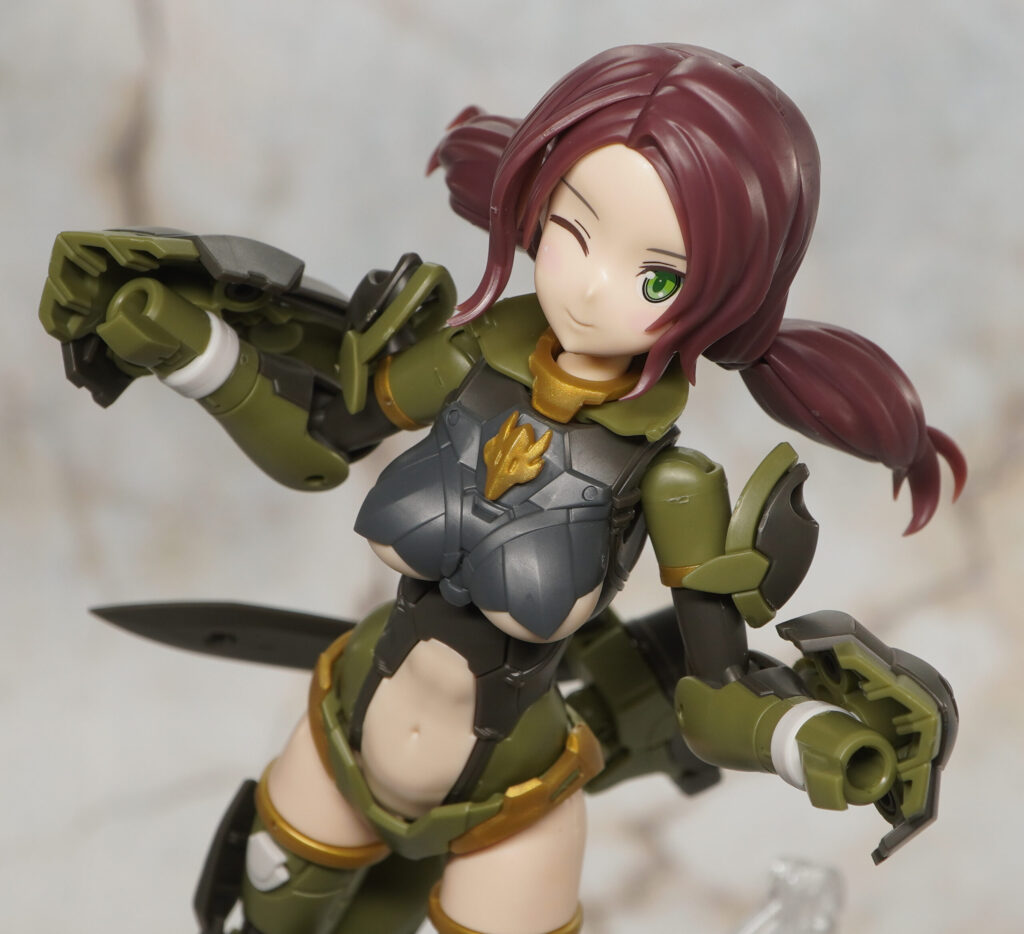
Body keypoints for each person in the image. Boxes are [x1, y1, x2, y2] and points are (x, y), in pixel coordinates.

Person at [39, 43, 964, 934]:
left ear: (725, 298)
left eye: (656, 277)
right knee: (269, 913)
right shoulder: (462, 362)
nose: (592, 290)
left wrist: (809, 739)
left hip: (512, 799)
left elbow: (712, 700)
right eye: (573, 231)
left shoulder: (674, 482)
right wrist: (196, 351)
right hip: (345, 730)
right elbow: (316, 447)